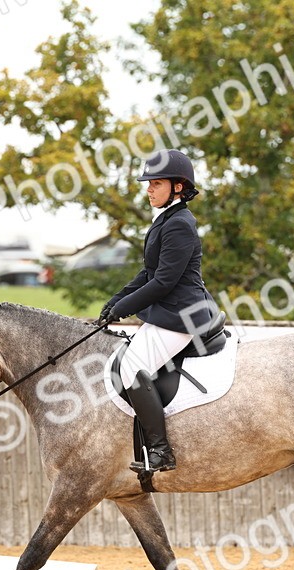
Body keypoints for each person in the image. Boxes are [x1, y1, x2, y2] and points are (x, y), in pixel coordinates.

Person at [98, 149, 220, 475]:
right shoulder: (165, 219)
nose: (148, 189)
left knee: (132, 367)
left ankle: (160, 451)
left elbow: (164, 282)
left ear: (178, 186)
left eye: (155, 183)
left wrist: (125, 308)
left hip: (183, 315)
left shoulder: (179, 224)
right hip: (167, 312)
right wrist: (117, 300)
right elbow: (148, 273)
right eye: (148, 183)